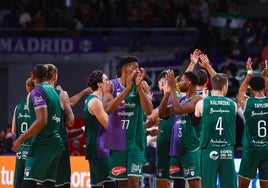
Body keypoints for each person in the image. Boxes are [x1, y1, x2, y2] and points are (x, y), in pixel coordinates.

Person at [102, 55, 153, 188]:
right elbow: (107, 109)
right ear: (124, 69)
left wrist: (138, 88)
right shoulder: (110, 85)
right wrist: (127, 90)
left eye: (138, 67)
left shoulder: (143, 85)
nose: (137, 70)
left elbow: (149, 111)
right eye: (134, 67)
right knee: (122, 183)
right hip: (117, 143)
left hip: (135, 142)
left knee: (134, 183)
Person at [12, 64, 64, 188]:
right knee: (48, 184)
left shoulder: (38, 91)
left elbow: (42, 121)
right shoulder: (55, 92)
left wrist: (20, 140)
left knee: (27, 184)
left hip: (43, 144)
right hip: (56, 144)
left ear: (32, 76)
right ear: (47, 76)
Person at [45, 63, 91, 188]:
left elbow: (67, 103)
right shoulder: (60, 94)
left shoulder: (36, 94)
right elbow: (70, 120)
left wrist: (82, 93)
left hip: (42, 145)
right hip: (58, 144)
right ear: (55, 76)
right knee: (61, 182)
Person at [158, 70, 202, 188]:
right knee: (178, 183)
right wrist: (167, 93)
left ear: (188, 83)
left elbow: (179, 110)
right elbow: (162, 114)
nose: (179, 84)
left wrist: (172, 88)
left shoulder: (197, 99)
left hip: (191, 149)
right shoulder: (181, 100)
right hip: (177, 148)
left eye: (182, 81)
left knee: (194, 184)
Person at [192, 73, 237, 188]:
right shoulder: (233, 105)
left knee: (207, 185)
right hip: (226, 149)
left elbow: (194, 123)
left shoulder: (202, 103)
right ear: (224, 87)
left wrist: (205, 100)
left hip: (208, 149)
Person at [146, 70, 185, 188]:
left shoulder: (170, 98)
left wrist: (148, 102)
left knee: (163, 181)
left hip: (167, 146)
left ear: (161, 84)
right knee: (174, 181)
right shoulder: (178, 97)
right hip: (174, 144)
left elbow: (151, 117)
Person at [237, 58, 268, 188]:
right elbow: (262, 86)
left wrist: (249, 73)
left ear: (252, 89)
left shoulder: (248, 103)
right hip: (267, 149)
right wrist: (264, 76)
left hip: (251, 150)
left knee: (243, 185)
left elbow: (240, 93)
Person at [84, 70, 116, 188]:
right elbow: (109, 126)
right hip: (99, 148)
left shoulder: (93, 100)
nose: (109, 82)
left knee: (96, 185)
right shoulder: (95, 101)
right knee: (111, 184)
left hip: (96, 147)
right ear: (99, 84)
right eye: (106, 80)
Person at [11, 77, 34, 188]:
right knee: (32, 181)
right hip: (33, 149)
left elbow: (13, 131)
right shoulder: (38, 106)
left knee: (18, 182)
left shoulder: (18, 107)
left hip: (21, 149)